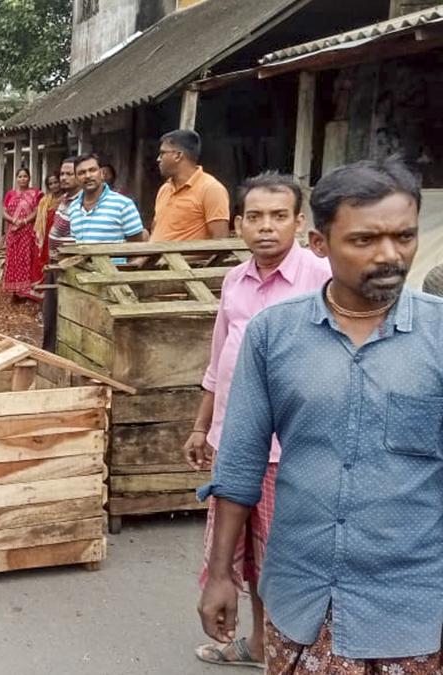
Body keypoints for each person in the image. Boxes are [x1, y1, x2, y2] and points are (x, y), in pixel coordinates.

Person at [198, 159, 442, 674]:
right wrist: (220, 573)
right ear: (320, 242)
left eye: (404, 237)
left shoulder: (438, 337)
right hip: (300, 599)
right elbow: (240, 463)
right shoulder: (273, 335)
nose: (389, 255)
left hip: (413, 609)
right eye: (364, 240)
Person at [185, 173, 332, 668]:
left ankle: (295, 652)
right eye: (255, 217)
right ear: (238, 223)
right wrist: (202, 426)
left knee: (285, 560)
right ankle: (260, 642)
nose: (266, 227)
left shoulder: (321, 276)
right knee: (244, 554)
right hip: (236, 443)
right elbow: (220, 359)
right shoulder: (235, 280)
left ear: (300, 222)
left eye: (278, 216)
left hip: (290, 450)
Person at [152, 129, 231, 242]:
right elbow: (156, 231)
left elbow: (220, 240)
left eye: (163, 153)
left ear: (178, 156)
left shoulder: (211, 189)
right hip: (156, 258)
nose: (158, 159)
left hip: (185, 260)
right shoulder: (165, 189)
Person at [40, 157, 82, 350]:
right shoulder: (65, 200)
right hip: (55, 264)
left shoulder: (82, 203)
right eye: (62, 174)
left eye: (69, 174)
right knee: (50, 316)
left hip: (70, 267)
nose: (63, 178)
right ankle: (49, 358)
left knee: (66, 317)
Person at [68, 153, 146, 249]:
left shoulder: (123, 204)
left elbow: (137, 246)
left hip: (113, 264)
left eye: (92, 170)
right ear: (76, 178)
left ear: (101, 173)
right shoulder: (73, 208)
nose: (87, 176)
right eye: (82, 173)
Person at [2, 168, 44, 302]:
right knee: (12, 260)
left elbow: (37, 211)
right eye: (20, 176)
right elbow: (4, 212)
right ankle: (14, 292)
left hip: (27, 231)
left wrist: (25, 221)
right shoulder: (10, 194)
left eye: (25, 176)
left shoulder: (35, 194)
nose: (22, 179)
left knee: (27, 260)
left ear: (29, 178)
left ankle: (26, 293)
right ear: (16, 179)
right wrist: (14, 220)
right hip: (13, 232)